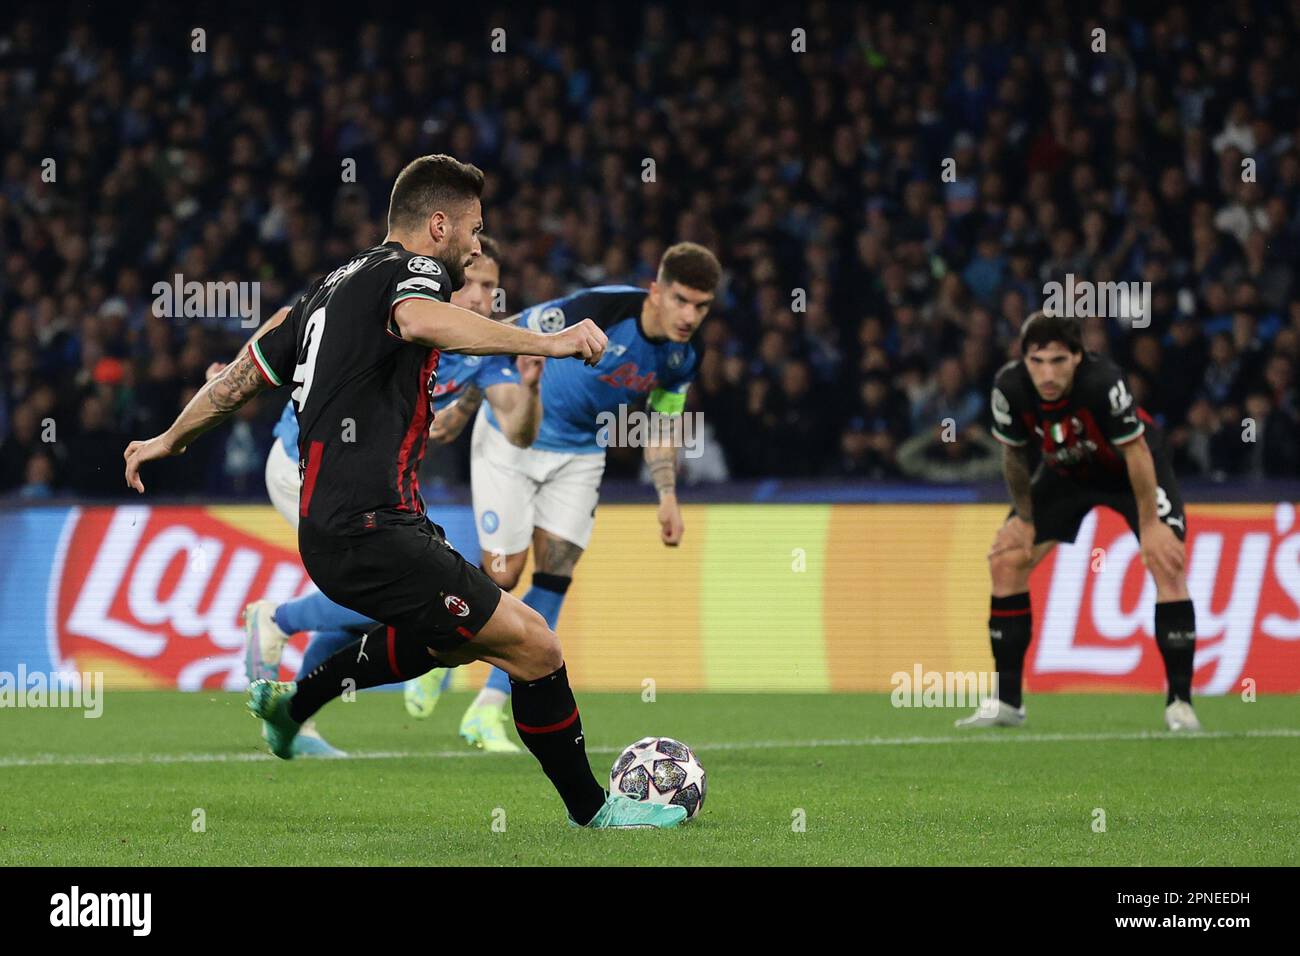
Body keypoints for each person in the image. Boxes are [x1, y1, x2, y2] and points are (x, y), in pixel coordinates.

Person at [124, 153, 685, 829]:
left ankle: (294, 704)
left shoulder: (329, 287)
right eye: (474, 229)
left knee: (448, 643)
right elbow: (419, 321)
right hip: (369, 525)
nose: (478, 245)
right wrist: (558, 343)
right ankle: (596, 813)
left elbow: (244, 372)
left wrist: (170, 439)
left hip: (342, 527)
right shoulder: (411, 272)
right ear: (438, 224)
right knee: (536, 645)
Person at [230, 235, 540, 756]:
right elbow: (304, 324)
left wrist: (530, 385)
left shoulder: (482, 350)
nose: (485, 298)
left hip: (373, 484)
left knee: (384, 601)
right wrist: (238, 371)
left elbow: (519, 428)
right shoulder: (403, 306)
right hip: (305, 466)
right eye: (477, 283)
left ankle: (297, 716)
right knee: (387, 593)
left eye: (493, 288)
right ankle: (278, 621)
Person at [416, 243, 721, 742]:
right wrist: (467, 404)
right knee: (505, 574)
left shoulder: (684, 355)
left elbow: (663, 422)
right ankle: (434, 657)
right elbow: (506, 329)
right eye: (681, 300)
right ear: (656, 291)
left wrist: (666, 494)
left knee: (555, 575)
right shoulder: (602, 309)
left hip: (581, 452)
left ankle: (488, 705)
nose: (690, 316)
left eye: (702, 306)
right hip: (513, 435)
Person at [956, 312, 1200, 732]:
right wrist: (1026, 519)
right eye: (1037, 361)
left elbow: (1137, 452)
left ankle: (1180, 703)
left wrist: (1150, 525)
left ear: (1078, 357)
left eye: (1058, 361)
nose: (1047, 374)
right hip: (1066, 472)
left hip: (1129, 471)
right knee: (1007, 560)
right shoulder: (1009, 387)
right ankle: (1008, 703)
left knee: (1167, 561)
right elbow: (1013, 456)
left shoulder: (1102, 381)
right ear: (1023, 359)